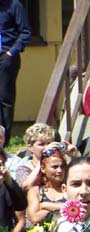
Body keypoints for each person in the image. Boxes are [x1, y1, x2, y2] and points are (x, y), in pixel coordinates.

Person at [0, 0, 32, 146]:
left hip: (6, 57)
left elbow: (25, 32)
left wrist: (11, 52)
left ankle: (4, 140)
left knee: (5, 98)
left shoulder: (14, 5)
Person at [26, 147, 67, 226]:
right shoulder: (35, 191)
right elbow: (34, 218)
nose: (60, 170)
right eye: (55, 167)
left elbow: (77, 209)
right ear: (43, 169)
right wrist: (64, 208)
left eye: (62, 166)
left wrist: (46, 206)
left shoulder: (69, 189)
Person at [13, 123, 58, 190]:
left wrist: (72, 156)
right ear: (30, 147)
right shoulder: (23, 168)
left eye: (49, 143)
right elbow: (26, 187)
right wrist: (43, 158)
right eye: (41, 144)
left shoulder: (58, 165)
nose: (47, 147)